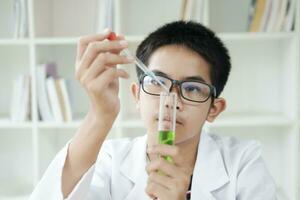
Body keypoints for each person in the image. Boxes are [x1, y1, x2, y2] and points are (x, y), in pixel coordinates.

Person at [29, 21, 276, 200]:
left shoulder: (242, 163)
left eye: (192, 88)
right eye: (158, 83)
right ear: (137, 95)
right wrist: (100, 114)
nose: (171, 101)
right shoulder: (111, 161)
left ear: (214, 108)